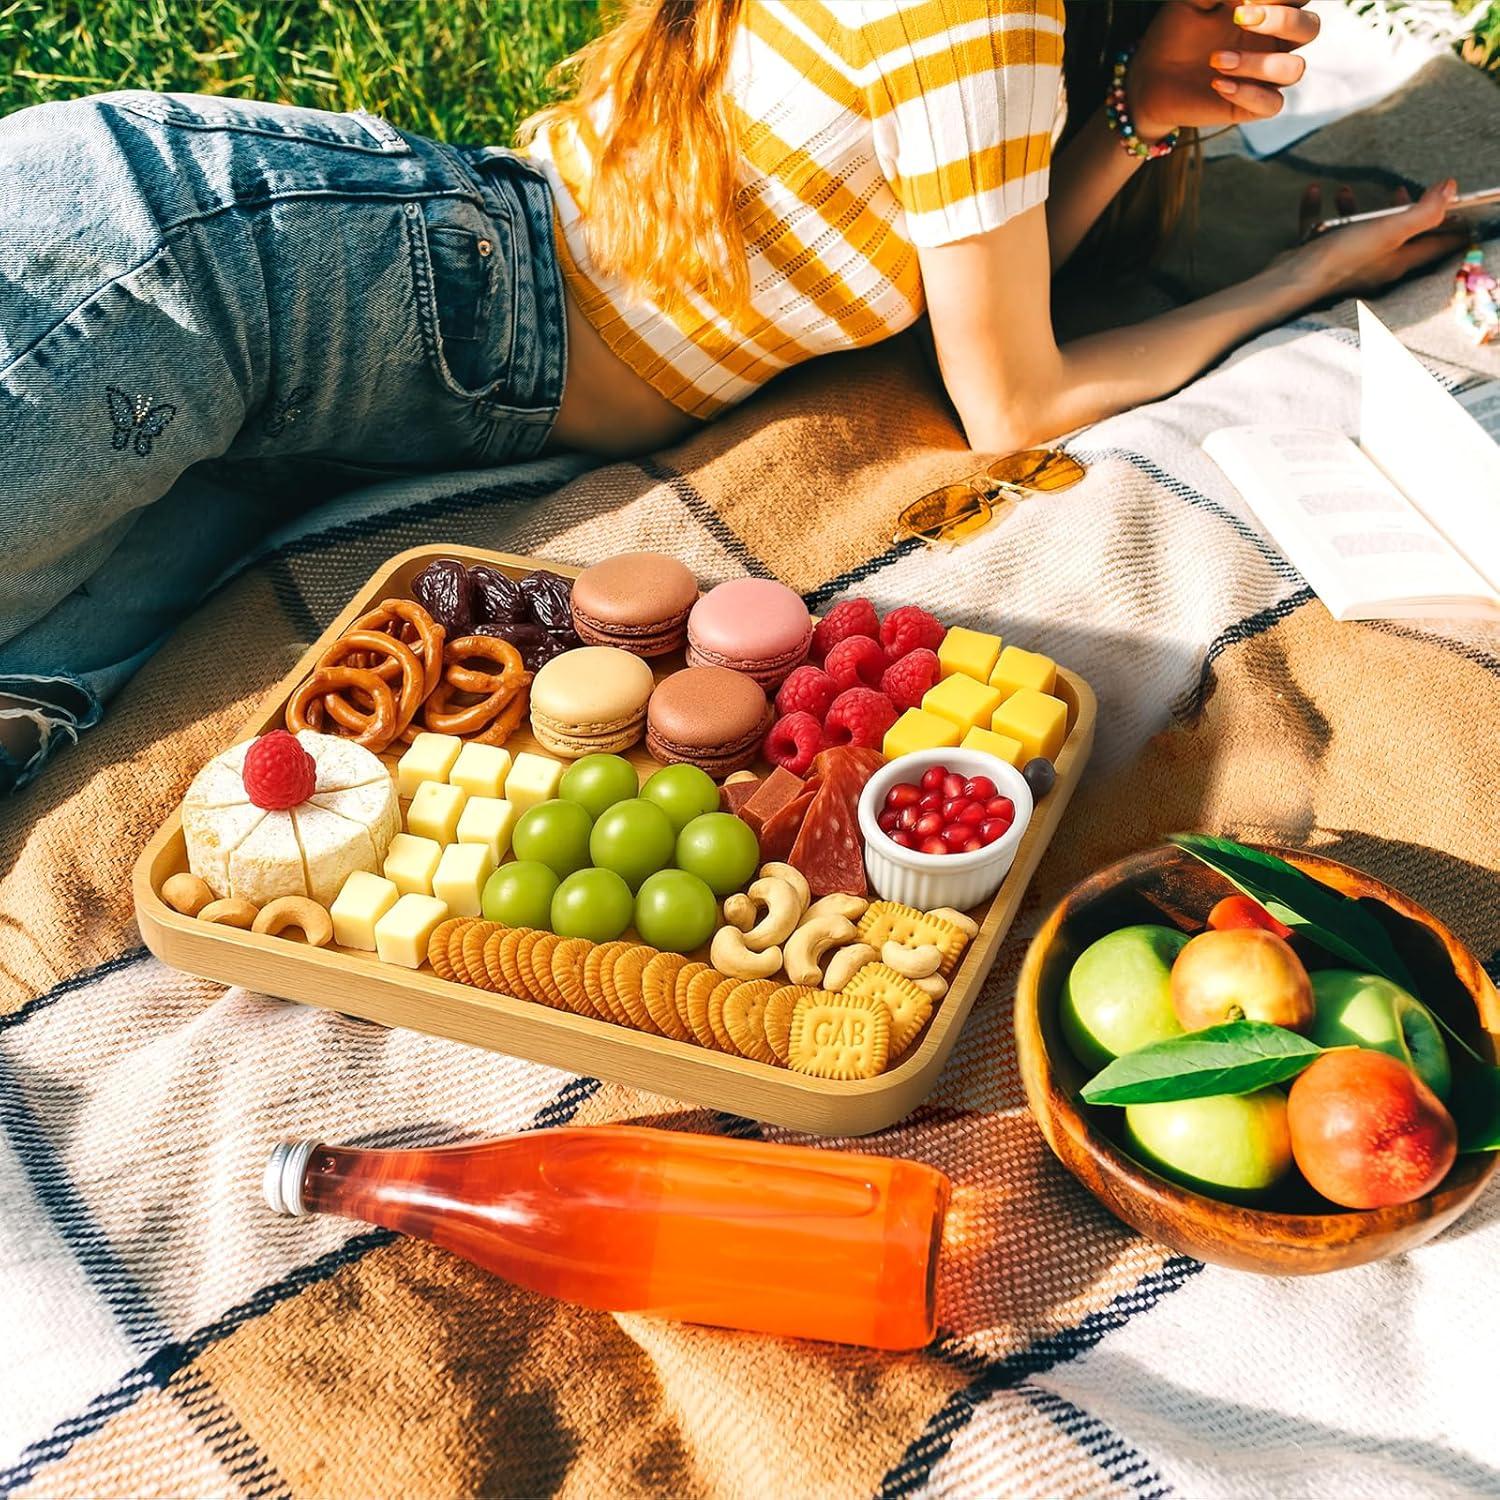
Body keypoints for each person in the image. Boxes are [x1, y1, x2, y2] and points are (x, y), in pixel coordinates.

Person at [0, 0, 1461, 794]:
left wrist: (1135, 115)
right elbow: (1013, 402)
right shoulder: (983, 17)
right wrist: (1287, 285)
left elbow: (978, 302)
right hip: (214, 272)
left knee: (41, 699)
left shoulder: (1004, 34)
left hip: (314, 320)